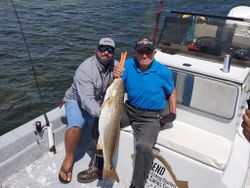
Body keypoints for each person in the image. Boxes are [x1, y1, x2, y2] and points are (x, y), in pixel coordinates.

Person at [77, 37, 177, 188]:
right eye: (141, 51)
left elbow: (171, 91)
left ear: (154, 53)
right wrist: (115, 76)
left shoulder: (163, 72)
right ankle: (99, 165)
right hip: (129, 108)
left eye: (148, 52)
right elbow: (115, 85)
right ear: (136, 52)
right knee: (100, 120)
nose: (144, 55)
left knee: (144, 146)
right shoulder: (129, 65)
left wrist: (173, 112)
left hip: (150, 116)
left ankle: (137, 185)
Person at [58, 37, 118, 184]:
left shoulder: (116, 66)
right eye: (103, 49)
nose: (106, 52)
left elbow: (120, 87)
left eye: (110, 50)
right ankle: (69, 158)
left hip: (99, 103)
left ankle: (100, 163)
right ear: (97, 50)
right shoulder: (85, 69)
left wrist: (119, 78)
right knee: (76, 126)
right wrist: (104, 115)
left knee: (102, 131)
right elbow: (86, 100)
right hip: (77, 101)